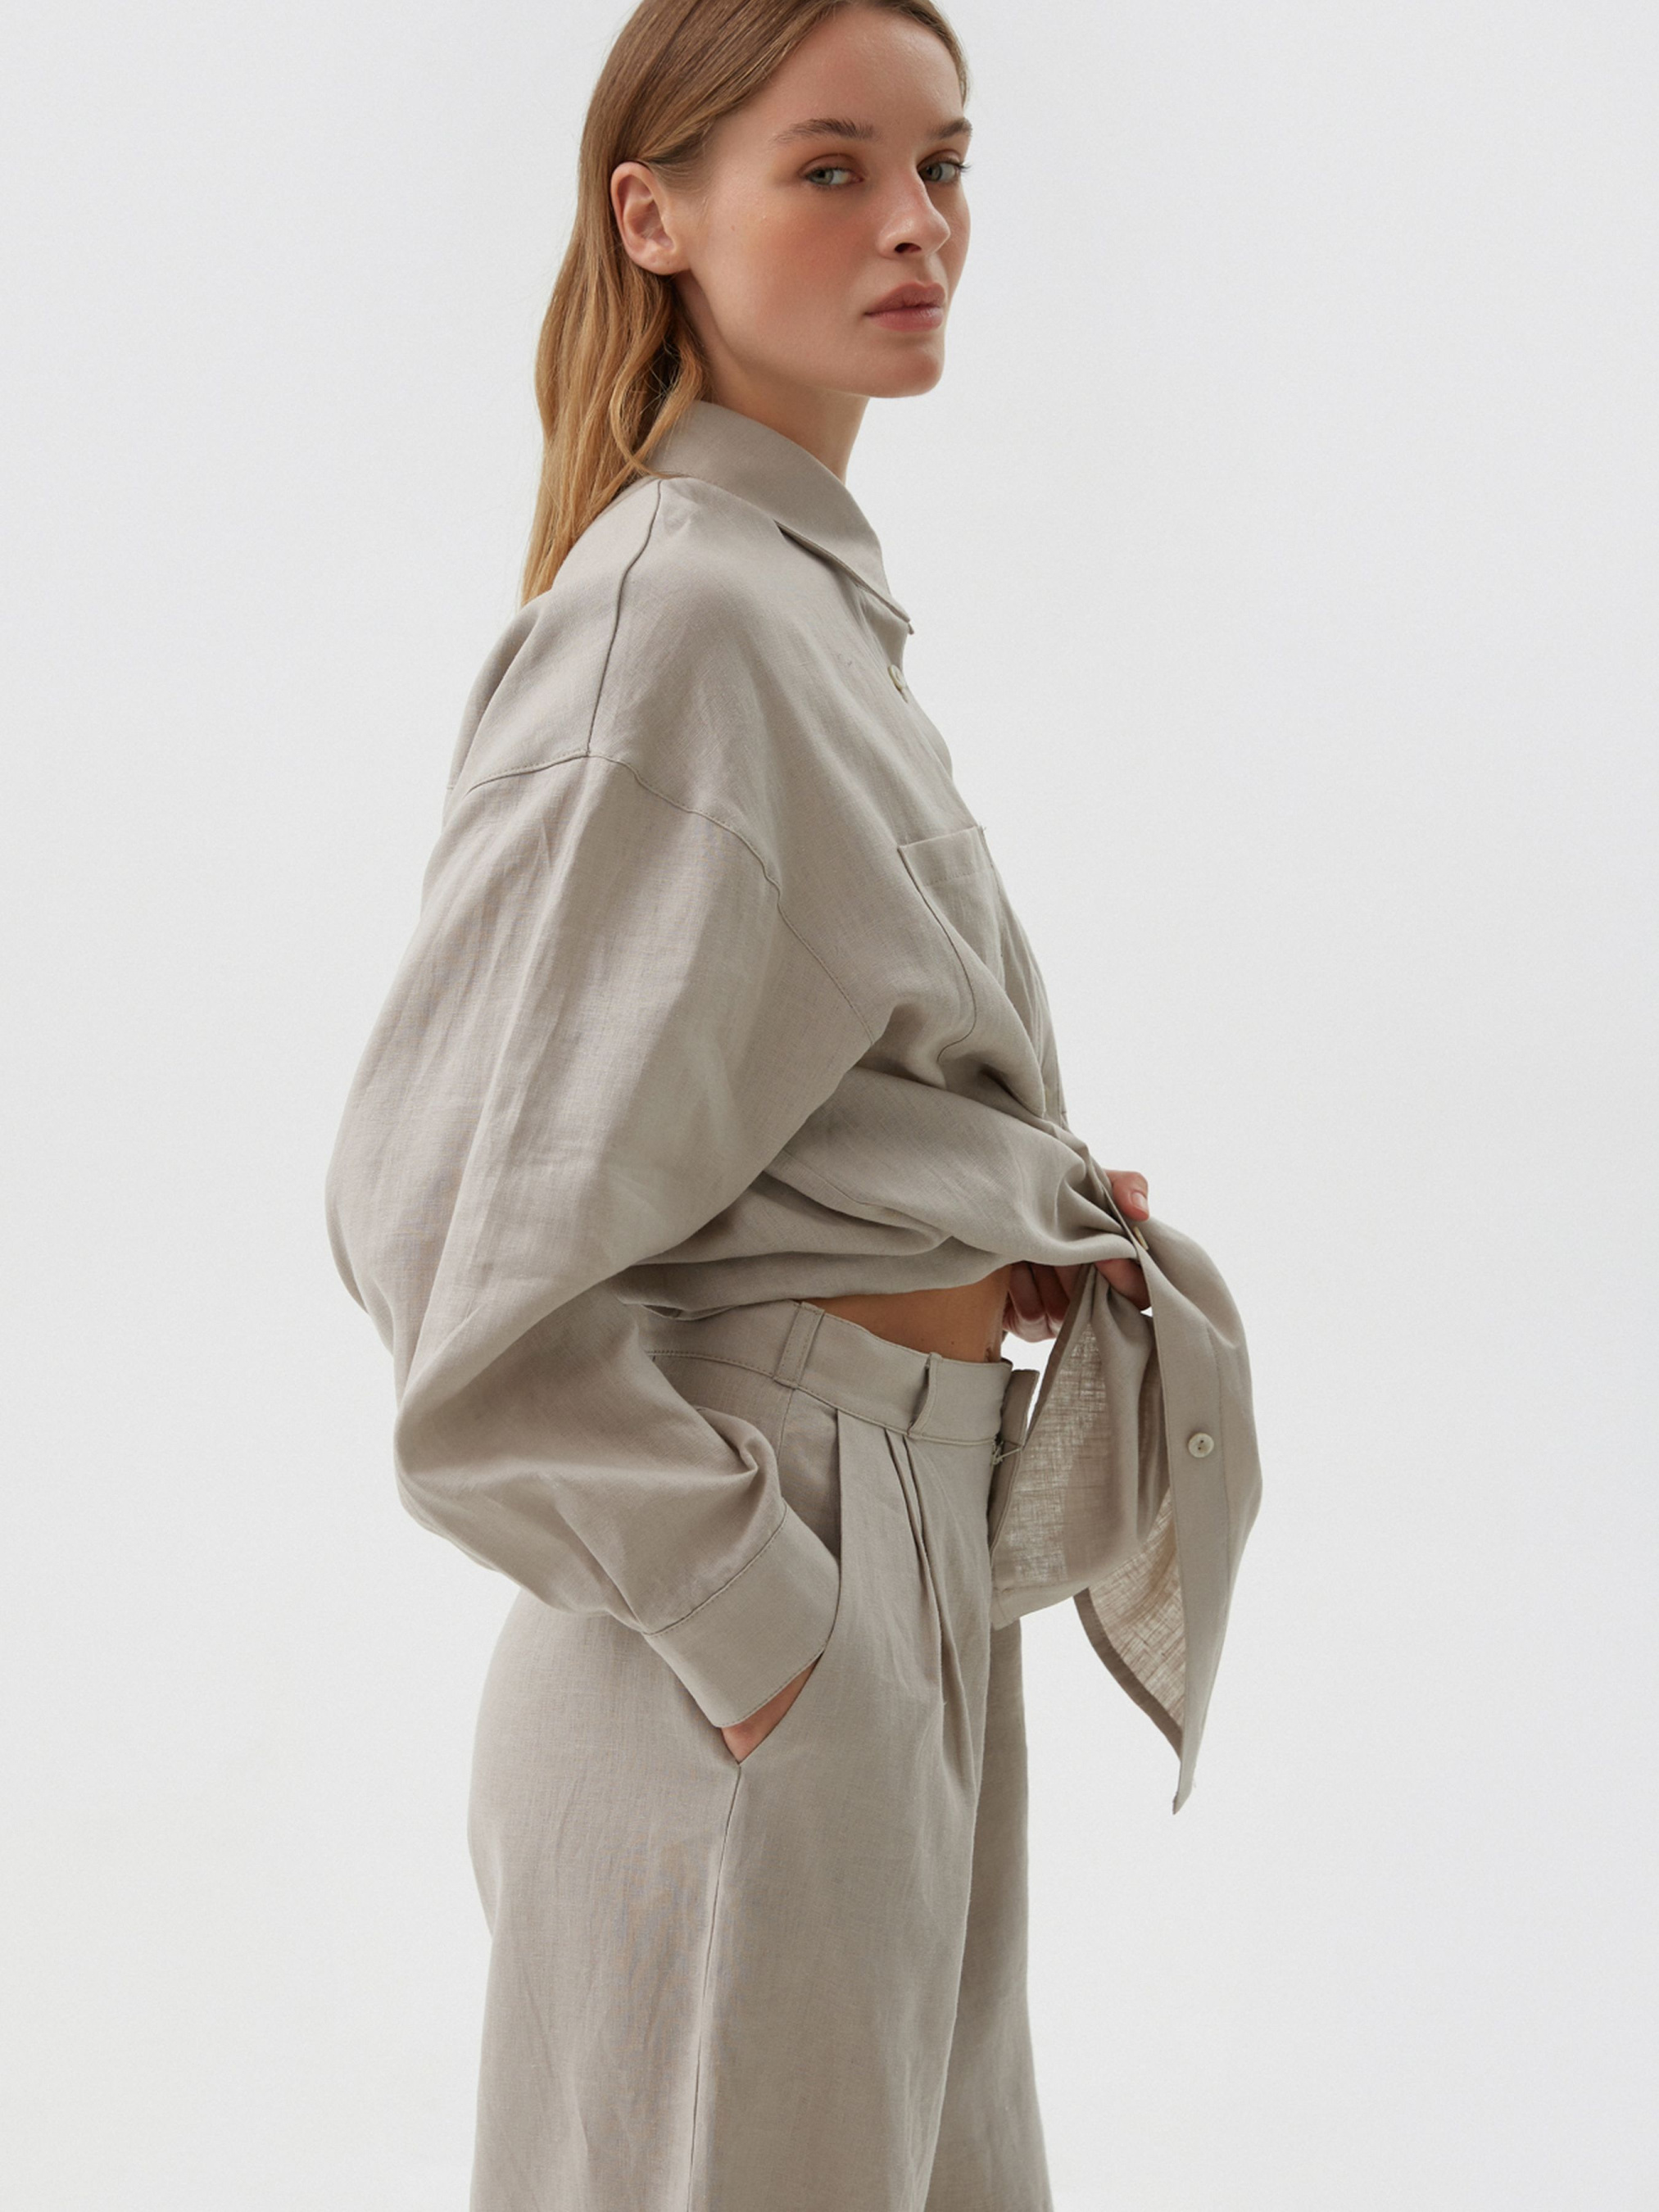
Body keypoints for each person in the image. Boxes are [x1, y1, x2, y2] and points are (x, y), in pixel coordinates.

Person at [324, 1, 1262, 2205]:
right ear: (653, 216)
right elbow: (445, 1238)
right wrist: (766, 1630)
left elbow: (752, 1107)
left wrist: (970, 1220)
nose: (915, 223)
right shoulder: (680, 625)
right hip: (758, 1602)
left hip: (889, 1562)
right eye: (831, 168)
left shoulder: (794, 609)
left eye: (944, 164)